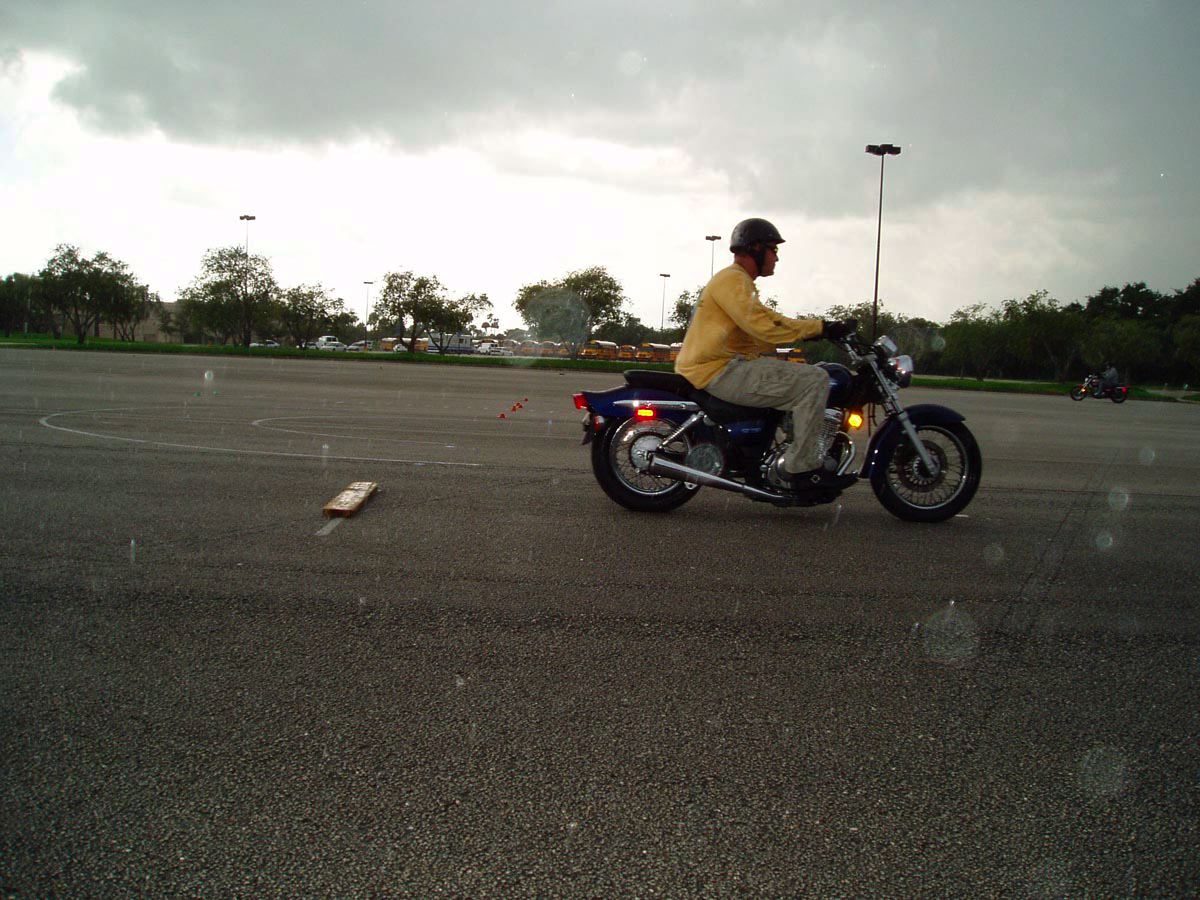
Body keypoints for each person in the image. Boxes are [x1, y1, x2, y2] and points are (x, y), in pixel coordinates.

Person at [674, 217, 858, 490]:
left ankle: (780, 450)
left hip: (720, 366)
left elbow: (757, 336)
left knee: (803, 373)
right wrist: (821, 328)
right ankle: (801, 468)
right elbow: (765, 325)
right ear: (756, 249)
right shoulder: (733, 280)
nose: (776, 258)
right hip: (719, 370)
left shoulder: (737, 282)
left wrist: (813, 336)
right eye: (773, 250)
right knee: (815, 380)